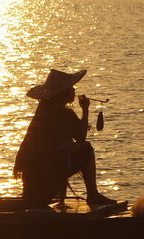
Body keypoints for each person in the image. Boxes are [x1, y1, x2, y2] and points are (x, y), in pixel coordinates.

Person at [13, 69, 115, 208]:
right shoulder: (62, 113)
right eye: (70, 88)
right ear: (63, 93)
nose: (73, 90)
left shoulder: (44, 112)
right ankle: (92, 194)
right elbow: (80, 137)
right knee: (86, 148)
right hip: (49, 172)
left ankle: (67, 198)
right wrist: (85, 110)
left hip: (40, 174)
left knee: (69, 152)